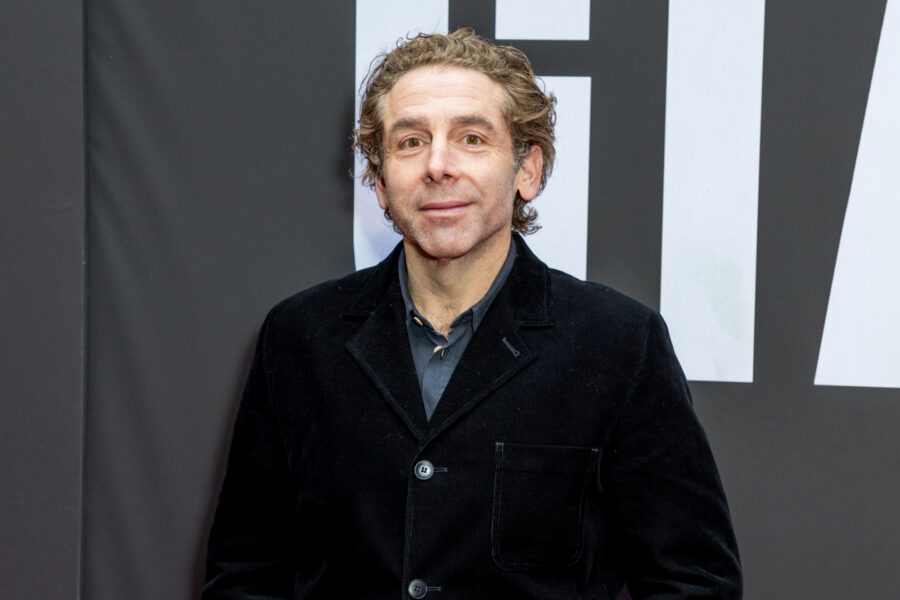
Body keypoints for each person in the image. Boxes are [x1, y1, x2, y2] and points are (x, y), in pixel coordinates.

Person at [203, 28, 741, 600]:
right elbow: (244, 573)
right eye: (411, 142)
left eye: (472, 138)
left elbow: (694, 582)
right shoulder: (299, 337)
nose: (438, 166)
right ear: (380, 182)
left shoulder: (619, 343)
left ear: (528, 170)